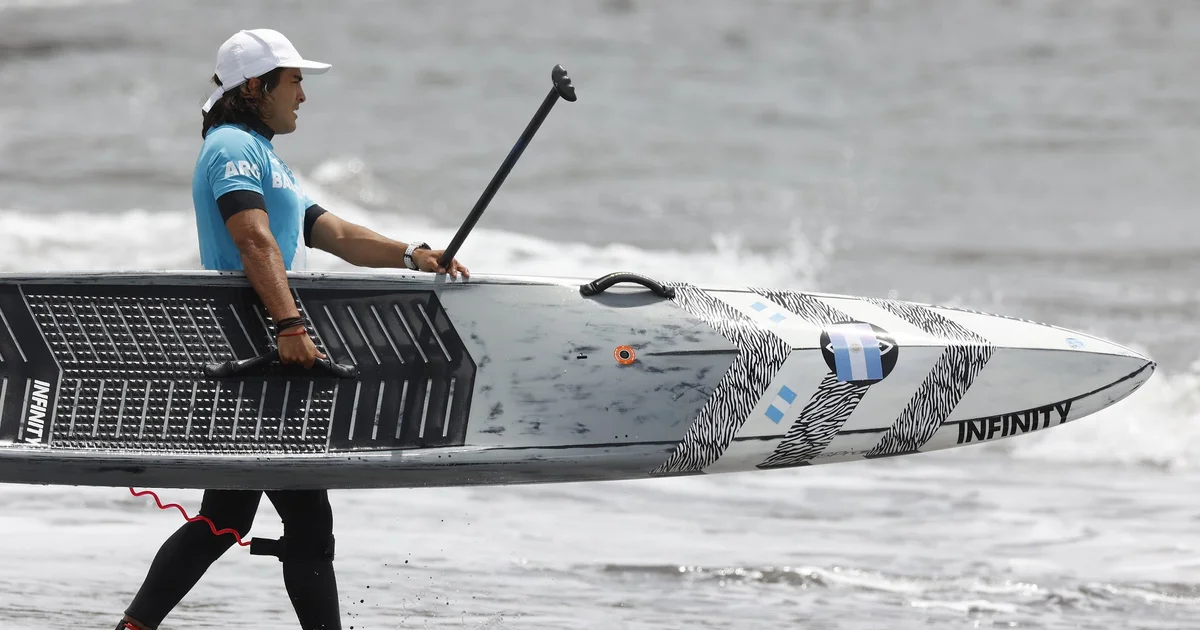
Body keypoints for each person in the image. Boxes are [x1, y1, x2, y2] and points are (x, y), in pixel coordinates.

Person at [116, 28, 468, 630]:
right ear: (255, 87)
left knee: (234, 519)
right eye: (294, 81)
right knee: (286, 519)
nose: (303, 95)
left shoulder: (263, 156)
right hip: (257, 347)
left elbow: (332, 233)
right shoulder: (229, 147)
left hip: (266, 349)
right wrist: (290, 324)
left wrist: (413, 253)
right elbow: (251, 238)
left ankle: (133, 628)